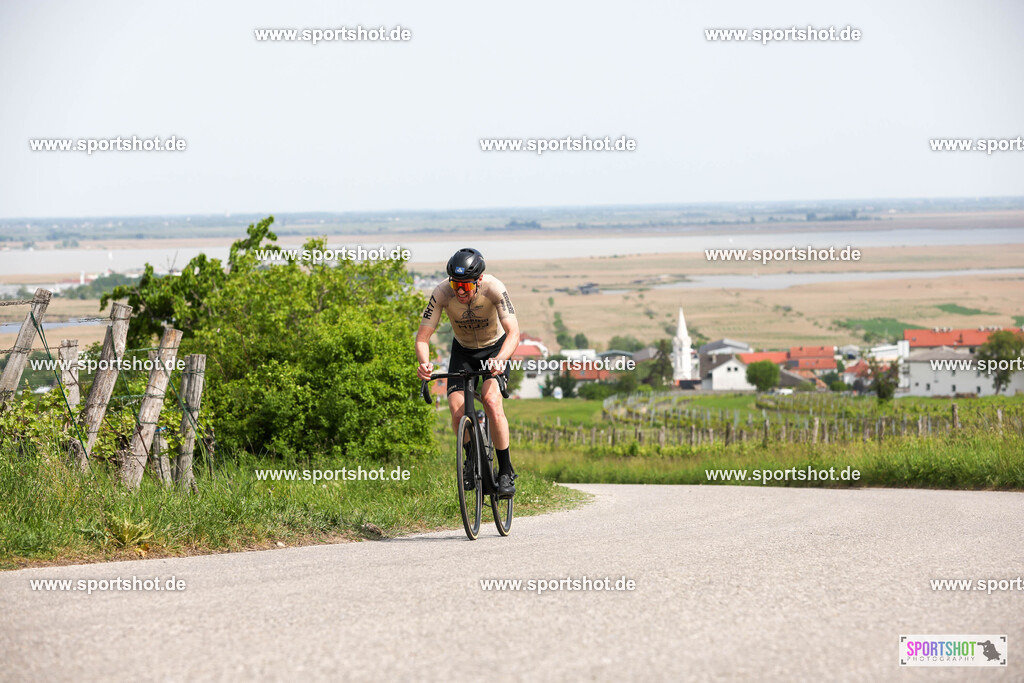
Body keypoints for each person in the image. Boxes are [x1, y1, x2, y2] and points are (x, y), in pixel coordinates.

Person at [416, 248, 520, 496]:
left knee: (492, 401)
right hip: (463, 352)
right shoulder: (442, 292)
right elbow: (423, 337)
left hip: (494, 350)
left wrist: (501, 359)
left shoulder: (494, 288)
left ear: (479, 280)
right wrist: (424, 363)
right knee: (456, 408)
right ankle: (471, 459)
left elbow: (514, 333)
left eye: (465, 286)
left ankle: (505, 470)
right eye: (455, 284)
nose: (460, 291)